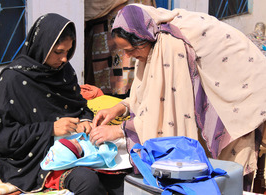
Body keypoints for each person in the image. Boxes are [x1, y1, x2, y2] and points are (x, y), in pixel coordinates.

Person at [90, 4, 266, 190]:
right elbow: (151, 93)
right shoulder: (150, 32)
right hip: (229, 83)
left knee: (229, 171)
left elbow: (166, 115)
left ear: (143, 38)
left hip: (241, 95)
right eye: (123, 50)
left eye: (131, 49)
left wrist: (120, 130)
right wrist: (120, 108)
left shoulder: (170, 45)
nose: (128, 56)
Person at [0, 13, 126, 195]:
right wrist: (49, 129)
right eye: (58, 52)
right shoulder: (14, 79)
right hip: (35, 157)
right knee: (88, 182)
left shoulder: (64, 72)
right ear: (41, 47)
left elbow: (79, 106)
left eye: (68, 52)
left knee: (120, 175)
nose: (64, 59)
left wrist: (85, 120)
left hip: (74, 147)